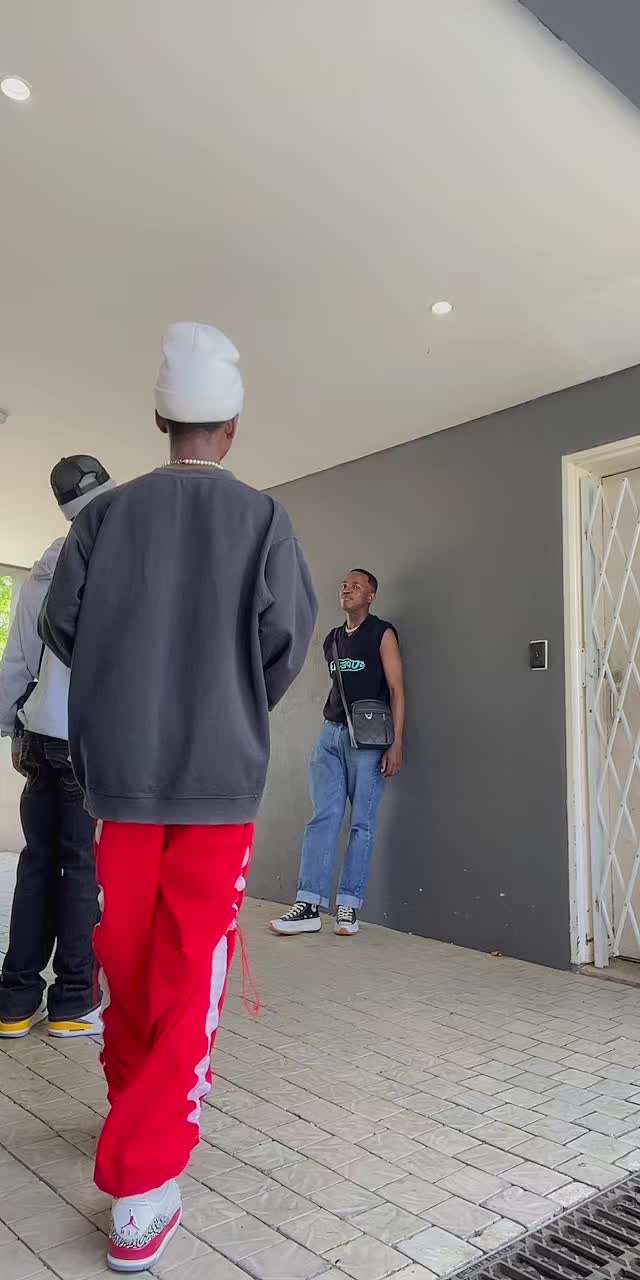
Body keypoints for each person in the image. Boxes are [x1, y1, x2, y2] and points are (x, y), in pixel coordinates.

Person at [40, 322, 317, 1273]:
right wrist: (228, 696)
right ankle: (145, 1178)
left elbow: (64, 627)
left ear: (160, 421)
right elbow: (285, 643)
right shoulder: (265, 519)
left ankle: (136, 1120)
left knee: (124, 951)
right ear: (231, 428)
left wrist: (127, 686)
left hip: (120, 774)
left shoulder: (102, 520)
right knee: (190, 961)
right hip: (217, 779)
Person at [0, 455, 115, 1040]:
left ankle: (14, 1001)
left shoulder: (41, 573)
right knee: (82, 870)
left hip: (40, 739)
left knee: (37, 865)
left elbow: (17, 663)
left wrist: (11, 728)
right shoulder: (118, 565)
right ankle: (73, 1001)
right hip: (88, 742)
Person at [271, 568, 404, 938]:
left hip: (369, 741)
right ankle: (309, 904)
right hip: (330, 735)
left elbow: (396, 688)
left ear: (370, 596)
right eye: (345, 585)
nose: (347, 589)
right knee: (323, 817)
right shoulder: (332, 639)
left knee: (362, 823)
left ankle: (348, 905)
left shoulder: (382, 633)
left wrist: (396, 742)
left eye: (356, 586)